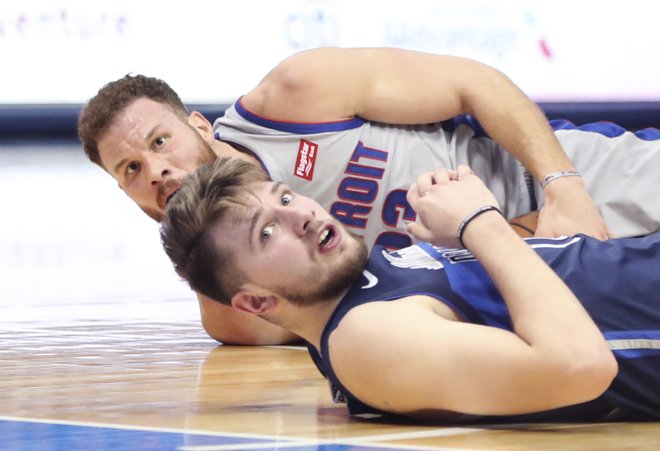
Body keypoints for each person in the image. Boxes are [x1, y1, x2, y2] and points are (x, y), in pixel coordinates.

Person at [78, 47, 660, 345]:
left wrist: (564, 189)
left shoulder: (293, 96)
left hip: (567, 182)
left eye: (160, 141)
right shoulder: (235, 311)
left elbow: (474, 82)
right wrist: (514, 236)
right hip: (529, 286)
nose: (156, 170)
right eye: (129, 169)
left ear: (200, 126)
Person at [160, 157, 660, 422]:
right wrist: (479, 223)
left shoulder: (355, 292)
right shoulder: (366, 341)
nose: (302, 215)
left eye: (285, 197)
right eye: (267, 232)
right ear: (257, 302)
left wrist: (464, 247)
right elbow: (580, 365)